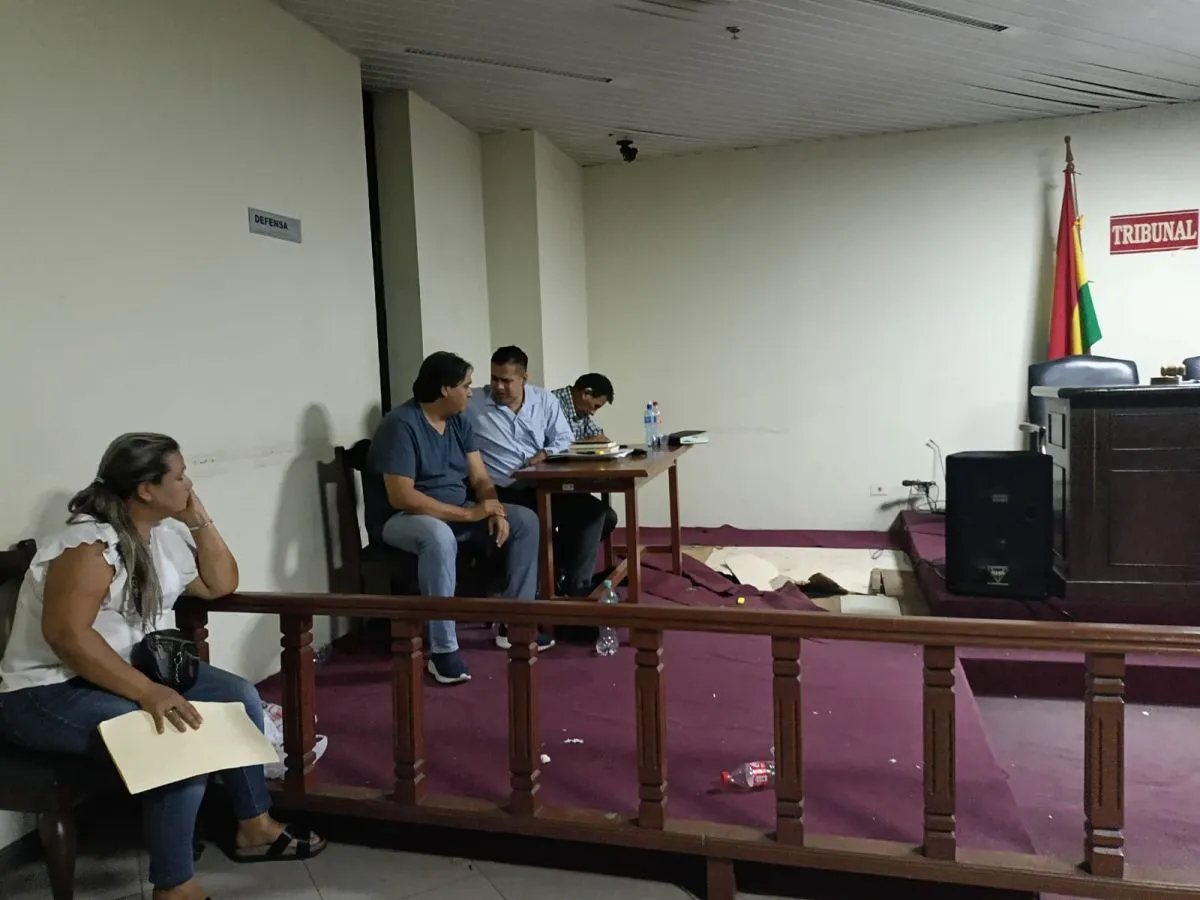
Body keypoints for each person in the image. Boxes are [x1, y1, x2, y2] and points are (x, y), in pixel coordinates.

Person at [0, 433, 324, 900]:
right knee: (178, 743)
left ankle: (254, 824)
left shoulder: (163, 535)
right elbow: (68, 638)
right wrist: (148, 692)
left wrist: (198, 520)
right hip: (47, 690)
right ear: (146, 489)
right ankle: (174, 886)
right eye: (180, 476)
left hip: (126, 671)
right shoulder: (88, 545)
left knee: (238, 697)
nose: (189, 483)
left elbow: (220, 583)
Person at [363, 351, 551, 685]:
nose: (471, 393)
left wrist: (493, 508)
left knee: (525, 521)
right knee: (438, 536)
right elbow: (402, 496)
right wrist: (468, 513)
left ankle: (515, 623)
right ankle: (443, 650)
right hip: (403, 518)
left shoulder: (459, 421)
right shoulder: (400, 424)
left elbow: (479, 477)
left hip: (455, 510)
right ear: (444, 389)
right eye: (465, 386)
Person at [473, 347, 617, 599]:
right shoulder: (473, 402)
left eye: (506, 380)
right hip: (505, 489)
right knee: (554, 520)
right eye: (494, 378)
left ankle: (566, 580)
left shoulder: (543, 400)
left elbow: (564, 438)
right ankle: (566, 585)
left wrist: (545, 453)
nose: (498, 386)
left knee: (599, 515)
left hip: (543, 483)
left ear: (524, 379)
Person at [552, 373, 615, 444]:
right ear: (586, 393)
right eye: (596, 406)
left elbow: (599, 437)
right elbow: (556, 445)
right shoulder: (552, 403)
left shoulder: (580, 409)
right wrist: (584, 443)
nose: (593, 413)